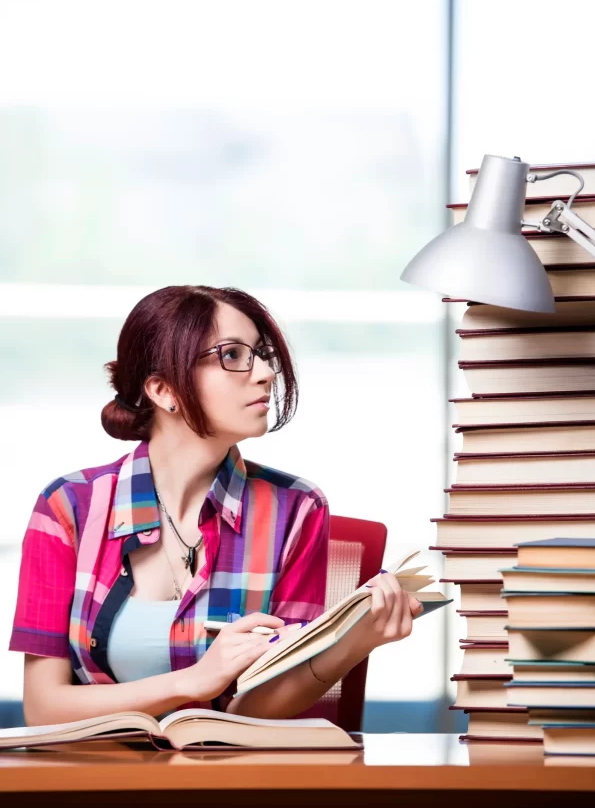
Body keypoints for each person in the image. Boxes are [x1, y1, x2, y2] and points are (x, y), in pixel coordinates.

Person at [10, 285, 423, 726]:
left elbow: (257, 706)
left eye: (262, 354)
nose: (265, 373)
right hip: (96, 779)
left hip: (227, 778)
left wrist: (353, 644)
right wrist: (191, 681)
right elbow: (43, 707)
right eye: (231, 356)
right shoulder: (68, 506)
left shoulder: (297, 509)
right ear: (163, 389)